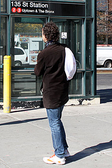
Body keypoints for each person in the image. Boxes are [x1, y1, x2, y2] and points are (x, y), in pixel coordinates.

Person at [34, 22, 70, 165]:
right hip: (62, 90)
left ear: (46, 35)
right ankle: (64, 149)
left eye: (42, 33)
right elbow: (72, 68)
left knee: (54, 123)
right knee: (57, 121)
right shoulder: (64, 49)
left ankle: (59, 155)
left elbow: (37, 72)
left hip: (51, 92)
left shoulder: (44, 53)